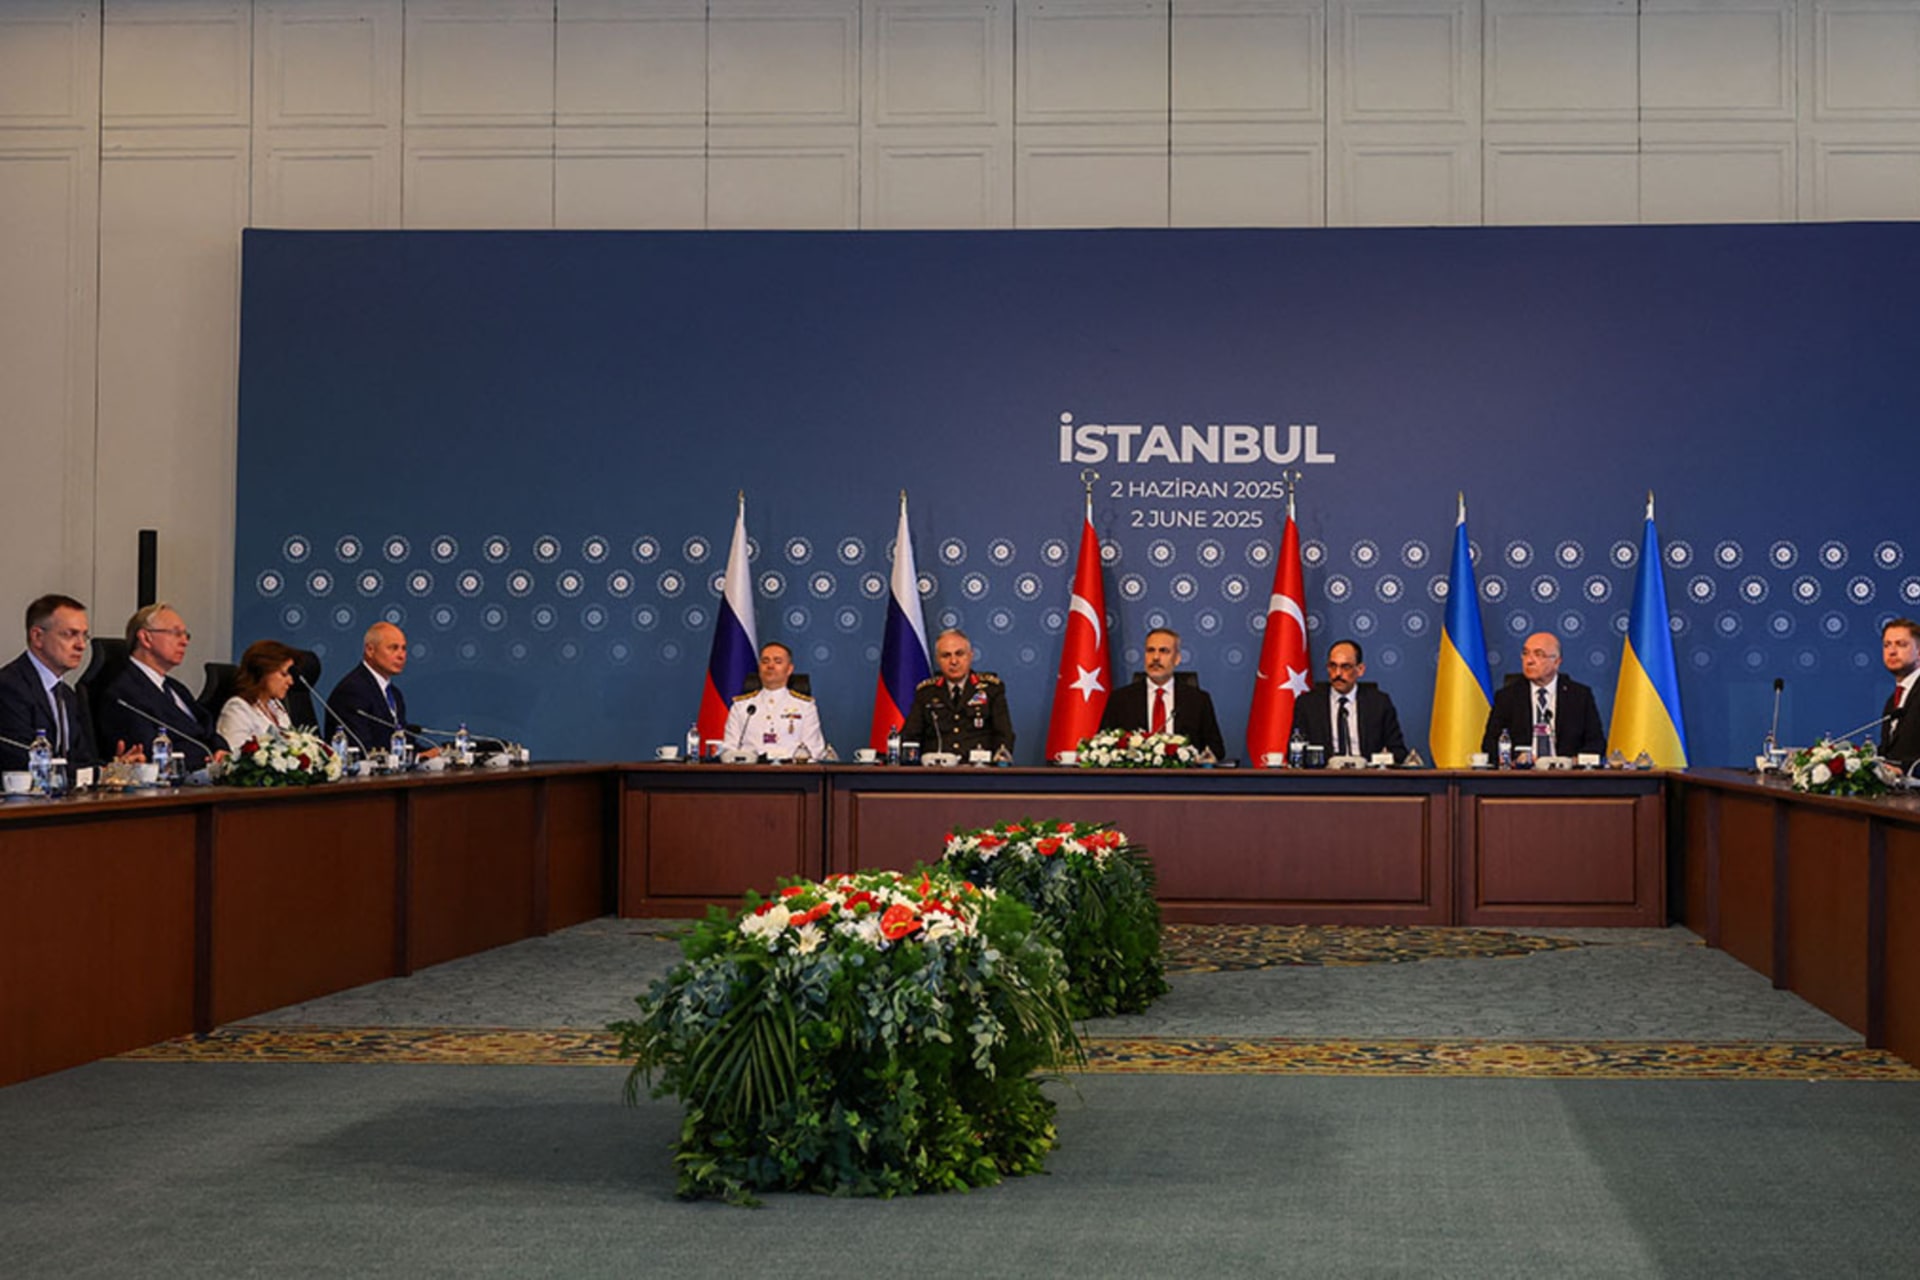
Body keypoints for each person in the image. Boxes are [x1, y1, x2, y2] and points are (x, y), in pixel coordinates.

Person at [97, 602, 225, 771]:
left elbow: (206, 730)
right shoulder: (123, 693)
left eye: (186, 635)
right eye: (176, 633)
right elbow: (148, 751)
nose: (184, 642)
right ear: (146, 638)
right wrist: (206, 761)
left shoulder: (177, 688)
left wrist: (221, 750)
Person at [0, 593, 104, 772]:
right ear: (38, 637)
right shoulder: (9, 687)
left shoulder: (68, 695)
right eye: (70, 634)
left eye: (84, 636)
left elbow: (82, 758)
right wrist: (96, 773)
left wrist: (114, 768)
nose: (81, 645)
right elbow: (23, 761)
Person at [1100, 626, 1227, 759]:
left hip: (1184, 772)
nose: (1155, 657)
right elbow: (1103, 745)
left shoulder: (1198, 701)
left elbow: (1216, 750)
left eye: (1164, 651)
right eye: (1150, 650)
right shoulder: (1120, 700)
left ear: (1177, 658)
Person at [1481, 630, 1606, 758]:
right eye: (1525, 653)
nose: (1529, 660)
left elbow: (1597, 743)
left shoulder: (1579, 696)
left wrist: (1572, 761)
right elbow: (1490, 744)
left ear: (1556, 662)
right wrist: (1516, 759)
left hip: (1565, 769)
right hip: (1523, 769)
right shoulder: (1507, 697)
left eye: (1539, 654)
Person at [324, 621, 436, 756]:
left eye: (403, 648)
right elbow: (361, 749)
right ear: (370, 650)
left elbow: (404, 744)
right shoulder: (352, 691)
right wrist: (417, 757)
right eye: (393, 648)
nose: (401, 655)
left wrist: (434, 753)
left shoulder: (394, 694)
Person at [901, 628, 1015, 759]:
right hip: (936, 769)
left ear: (970, 656)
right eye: (946, 655)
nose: (954, 661)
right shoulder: (926, 693)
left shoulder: (991, 689)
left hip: (979, 768)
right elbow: (910, 737)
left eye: (959, 654)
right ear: (937, 659)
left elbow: (1004, 735)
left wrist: (999, 762)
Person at [1291, 638, 1409, 762]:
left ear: (1360, 670)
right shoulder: (1308, 704)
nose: (1338, 673)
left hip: (1367, 772)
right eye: (1333, 666)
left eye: (1345, 667)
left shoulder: (1379, 703)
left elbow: (1398, 751)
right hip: (1324, 772)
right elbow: (1295, 751)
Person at [723, 641, 826, 760]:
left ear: (789, 669)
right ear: (759, 668)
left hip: (792, 769)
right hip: (750, 769)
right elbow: (729, 749)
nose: (770, 666)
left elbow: (814, 751)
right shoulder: (741, 707)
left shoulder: (805, 707)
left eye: (778, 661)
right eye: (765, 661)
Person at [217, 639, 301, 752]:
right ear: (262, 672)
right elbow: (235, 756)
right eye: (284, 674)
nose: (290, 682)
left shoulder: (276, 707)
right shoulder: (237, 709)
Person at [1879, 617, 1920, 769]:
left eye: (1901, 644)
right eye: (1887, 645)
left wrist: (1905, 770)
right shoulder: (1893, 700)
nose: (1892, 651)